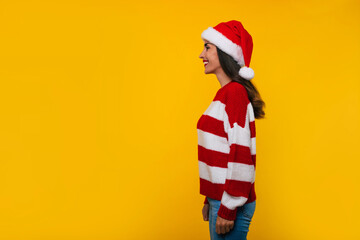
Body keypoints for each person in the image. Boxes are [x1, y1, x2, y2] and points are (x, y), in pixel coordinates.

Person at [197, 20, 266, 240]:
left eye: (207, 47)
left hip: (231, 203)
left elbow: (240, 154)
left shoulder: (234, 94)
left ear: (225, 52)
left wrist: (227, 208)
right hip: (222, 200)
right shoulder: (225, 95)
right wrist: (210, 198)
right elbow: (221, 152)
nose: (201, 54)